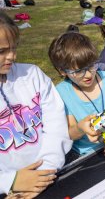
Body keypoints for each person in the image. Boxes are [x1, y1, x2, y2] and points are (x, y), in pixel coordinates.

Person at [0, 11, 72, 197]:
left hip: (50, 176)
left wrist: (44, 174)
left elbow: (57, 129)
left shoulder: (33, 76)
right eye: (2, 51)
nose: (12, 57)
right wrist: (10, 181)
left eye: (14, 48)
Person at [48, 32, 105, 157]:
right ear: (62, 71)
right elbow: (70, 132)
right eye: (78, 71)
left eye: (91, 66)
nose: (88, 75)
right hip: (87, 154)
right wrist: (81, 128)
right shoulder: (61, 93)